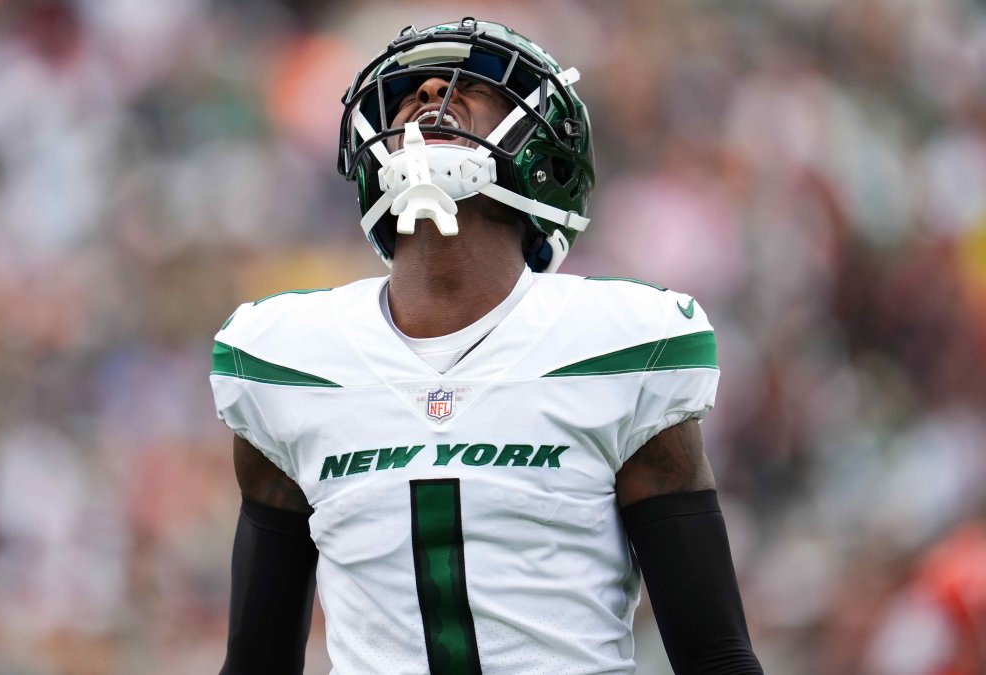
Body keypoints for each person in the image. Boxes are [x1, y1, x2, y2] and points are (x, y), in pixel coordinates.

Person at [210, 17, 762, 675]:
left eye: (474, 85)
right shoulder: (286, 361)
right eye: (411, 91)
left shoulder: (621, 344)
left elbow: (716, 656)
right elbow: (257, 662)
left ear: (545, 152)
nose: (431, 92)